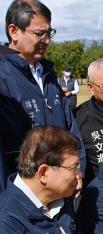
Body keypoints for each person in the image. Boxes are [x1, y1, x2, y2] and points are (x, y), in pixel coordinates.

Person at [0, 0, 84, 193]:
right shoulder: (3, 75)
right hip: (22, 194)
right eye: (40, 34)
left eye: (49, 33)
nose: (47, 40)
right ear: (14, 31)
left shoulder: (48, 73)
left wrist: (77, 171)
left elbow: (70, 128)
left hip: (62, 188)